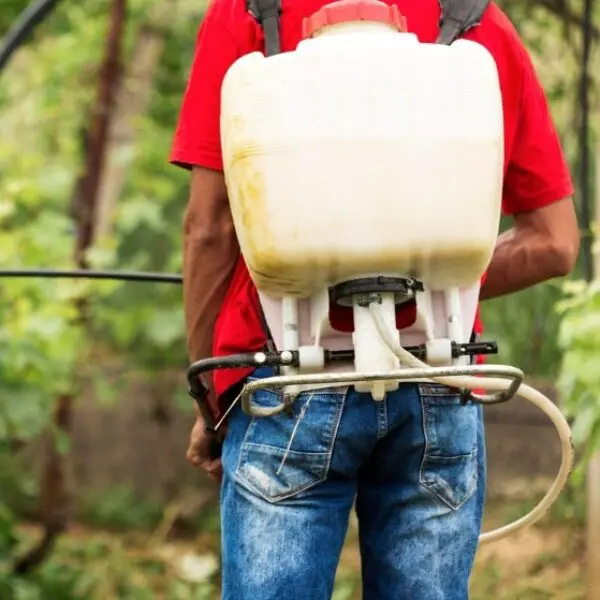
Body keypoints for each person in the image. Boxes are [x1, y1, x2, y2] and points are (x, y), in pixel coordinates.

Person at [170, 0, 580, 597]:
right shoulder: (475, 19)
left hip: (284, 380)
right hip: (440, 376)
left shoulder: (251, 13)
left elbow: (210, 229)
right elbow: (555, 243)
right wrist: (418, 278)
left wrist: (210, 396)